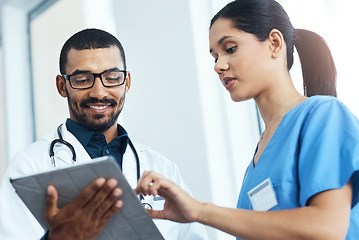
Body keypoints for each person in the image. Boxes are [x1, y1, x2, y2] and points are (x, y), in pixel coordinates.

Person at [135, 0, 359, 239]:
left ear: (274, 43)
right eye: (214, 57)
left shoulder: (324, 115)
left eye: (230, 48)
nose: (219, 66)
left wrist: (199, 210)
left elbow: (326, 229)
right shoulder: (258, 155)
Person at [0, 28, 208, 240]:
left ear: (126, 82)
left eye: (112, 77)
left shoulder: (162, 168)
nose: (99, 93)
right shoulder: (29, 166)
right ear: (62, 86)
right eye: (82, 79)